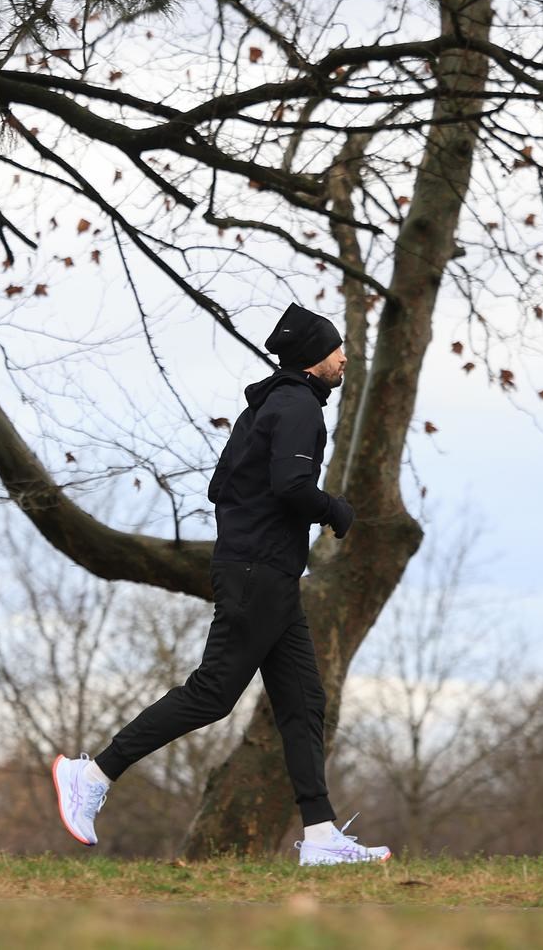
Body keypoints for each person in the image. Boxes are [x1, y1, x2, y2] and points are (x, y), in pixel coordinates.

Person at [52, 303, 391, 866]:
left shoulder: (265, 407)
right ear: (313, 357)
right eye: (338, 349)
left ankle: (322, 835)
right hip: (259, 573)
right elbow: (289, 486)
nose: (345, 358)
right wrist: (335, 509)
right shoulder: (299, 406)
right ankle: (92, 774)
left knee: (304, 704)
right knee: (213, 693)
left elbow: (221, 486)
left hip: (264, 573)